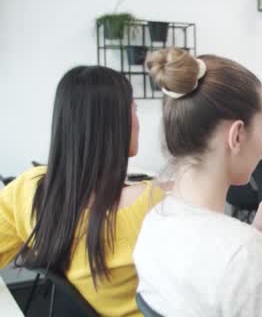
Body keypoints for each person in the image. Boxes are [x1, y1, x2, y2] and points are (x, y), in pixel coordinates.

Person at [134, 48, 262, 316]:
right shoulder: (252, 261)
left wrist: (253, 237)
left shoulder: (155, 222)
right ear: (237, 135)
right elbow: (240, 270)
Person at [0, 66, 164, 316]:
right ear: (115, 123)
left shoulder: (29, 188)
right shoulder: (153, 205)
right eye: (134, 109)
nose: (139, 122)